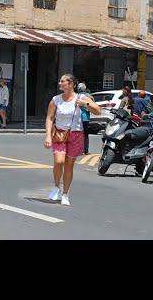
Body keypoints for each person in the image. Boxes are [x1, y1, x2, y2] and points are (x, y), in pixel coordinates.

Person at [44, 74, 101, 206]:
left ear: (71, 84)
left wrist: (85, 104)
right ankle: (57, 186)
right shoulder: (56, 100)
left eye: (63, 81)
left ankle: (65, 194)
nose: (60, 83)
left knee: (69, 166)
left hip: (76, 134)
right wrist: (48, 135)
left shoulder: (81, 98)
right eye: (60, 81)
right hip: (59, 134)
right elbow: (49, 118)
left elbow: (98, 111)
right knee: (59, 162)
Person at [77, 82, 93, 155]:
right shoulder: (89, 96)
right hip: (85, 117)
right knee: (85, 134)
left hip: (77, 118)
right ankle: (85, 150)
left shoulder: (76, 96)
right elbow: (92, 105)